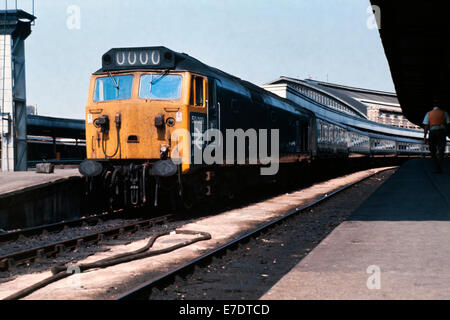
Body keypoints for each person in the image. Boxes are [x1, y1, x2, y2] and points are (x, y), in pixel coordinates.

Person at [423, 105, 450, 173]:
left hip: (432, 133)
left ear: (432, 107)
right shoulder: (444, 113)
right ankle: (439, 165)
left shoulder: (428, 113)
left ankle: (436, 166)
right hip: (442, 133)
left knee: (432, 150)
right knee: (441, 149)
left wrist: (425, 136)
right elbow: (448, 124)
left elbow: (426, 125)